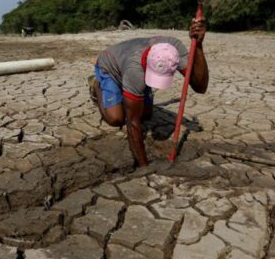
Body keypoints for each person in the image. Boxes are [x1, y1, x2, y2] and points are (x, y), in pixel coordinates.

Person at [88, 18, 209, 167]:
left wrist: (198, 45)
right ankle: (95, 84)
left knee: (146, 115)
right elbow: (132, 123)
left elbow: (200, 87)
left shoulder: (173, 49)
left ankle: (128, 90)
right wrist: (144, 167)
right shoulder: (135, 70)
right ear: (147, 65)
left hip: (130, 67)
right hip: (109, 67)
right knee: (116, 118)